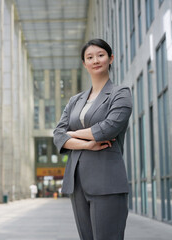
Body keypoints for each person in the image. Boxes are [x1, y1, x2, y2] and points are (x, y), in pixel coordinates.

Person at [53, 39, 132, 240]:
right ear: (84, 64)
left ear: (110, 58)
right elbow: (58, 136)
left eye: (100, 55)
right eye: (90, 57)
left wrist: (71, 134)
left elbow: (107, 129)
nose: (95, 60)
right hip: (78, 182)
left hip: (107, 181)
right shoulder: (75, 101)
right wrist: (87, 144)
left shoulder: (120, 93)